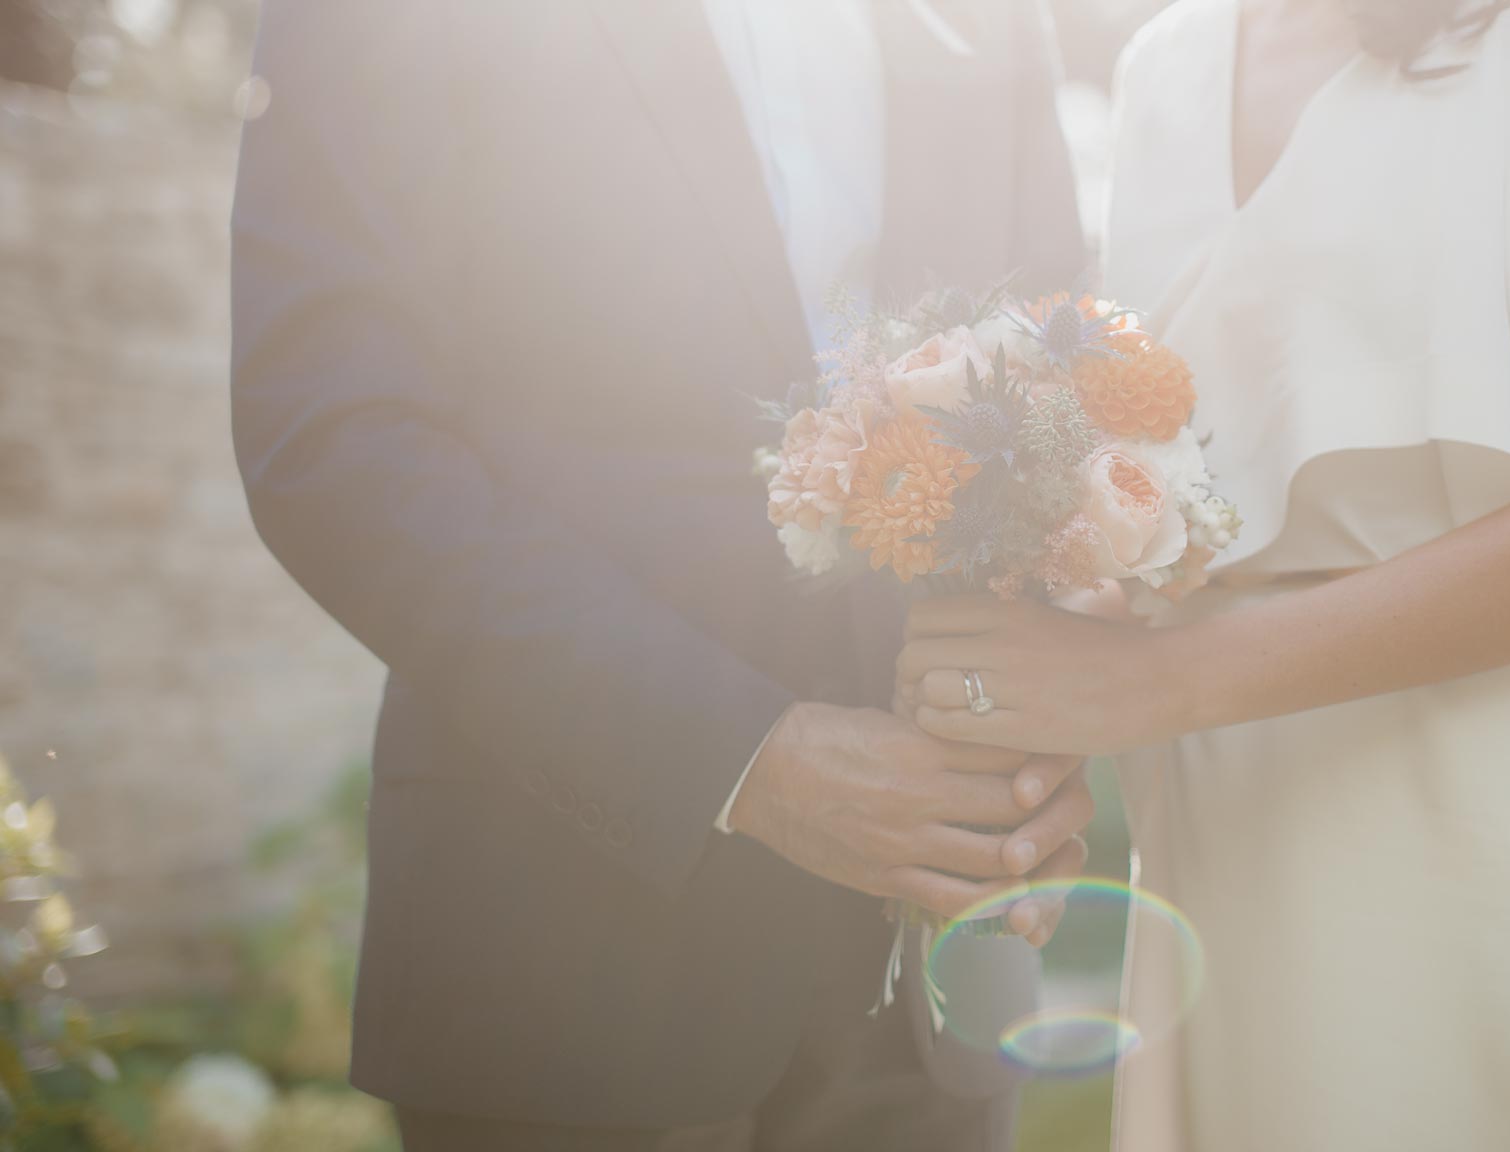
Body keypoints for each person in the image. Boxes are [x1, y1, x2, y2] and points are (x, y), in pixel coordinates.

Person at [896, 0, 1510, 1147]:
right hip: (1233, 850)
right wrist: (1034, 688)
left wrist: (1162, 686)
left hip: (1506, 829)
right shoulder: (1163, 63)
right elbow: (1212, 502)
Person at [230, 2, 1091, 1149]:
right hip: (567, 956)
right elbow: (337, 447)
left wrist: (1025, 743)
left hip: (940, 962)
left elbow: (1050, 397)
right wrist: (746, 761)